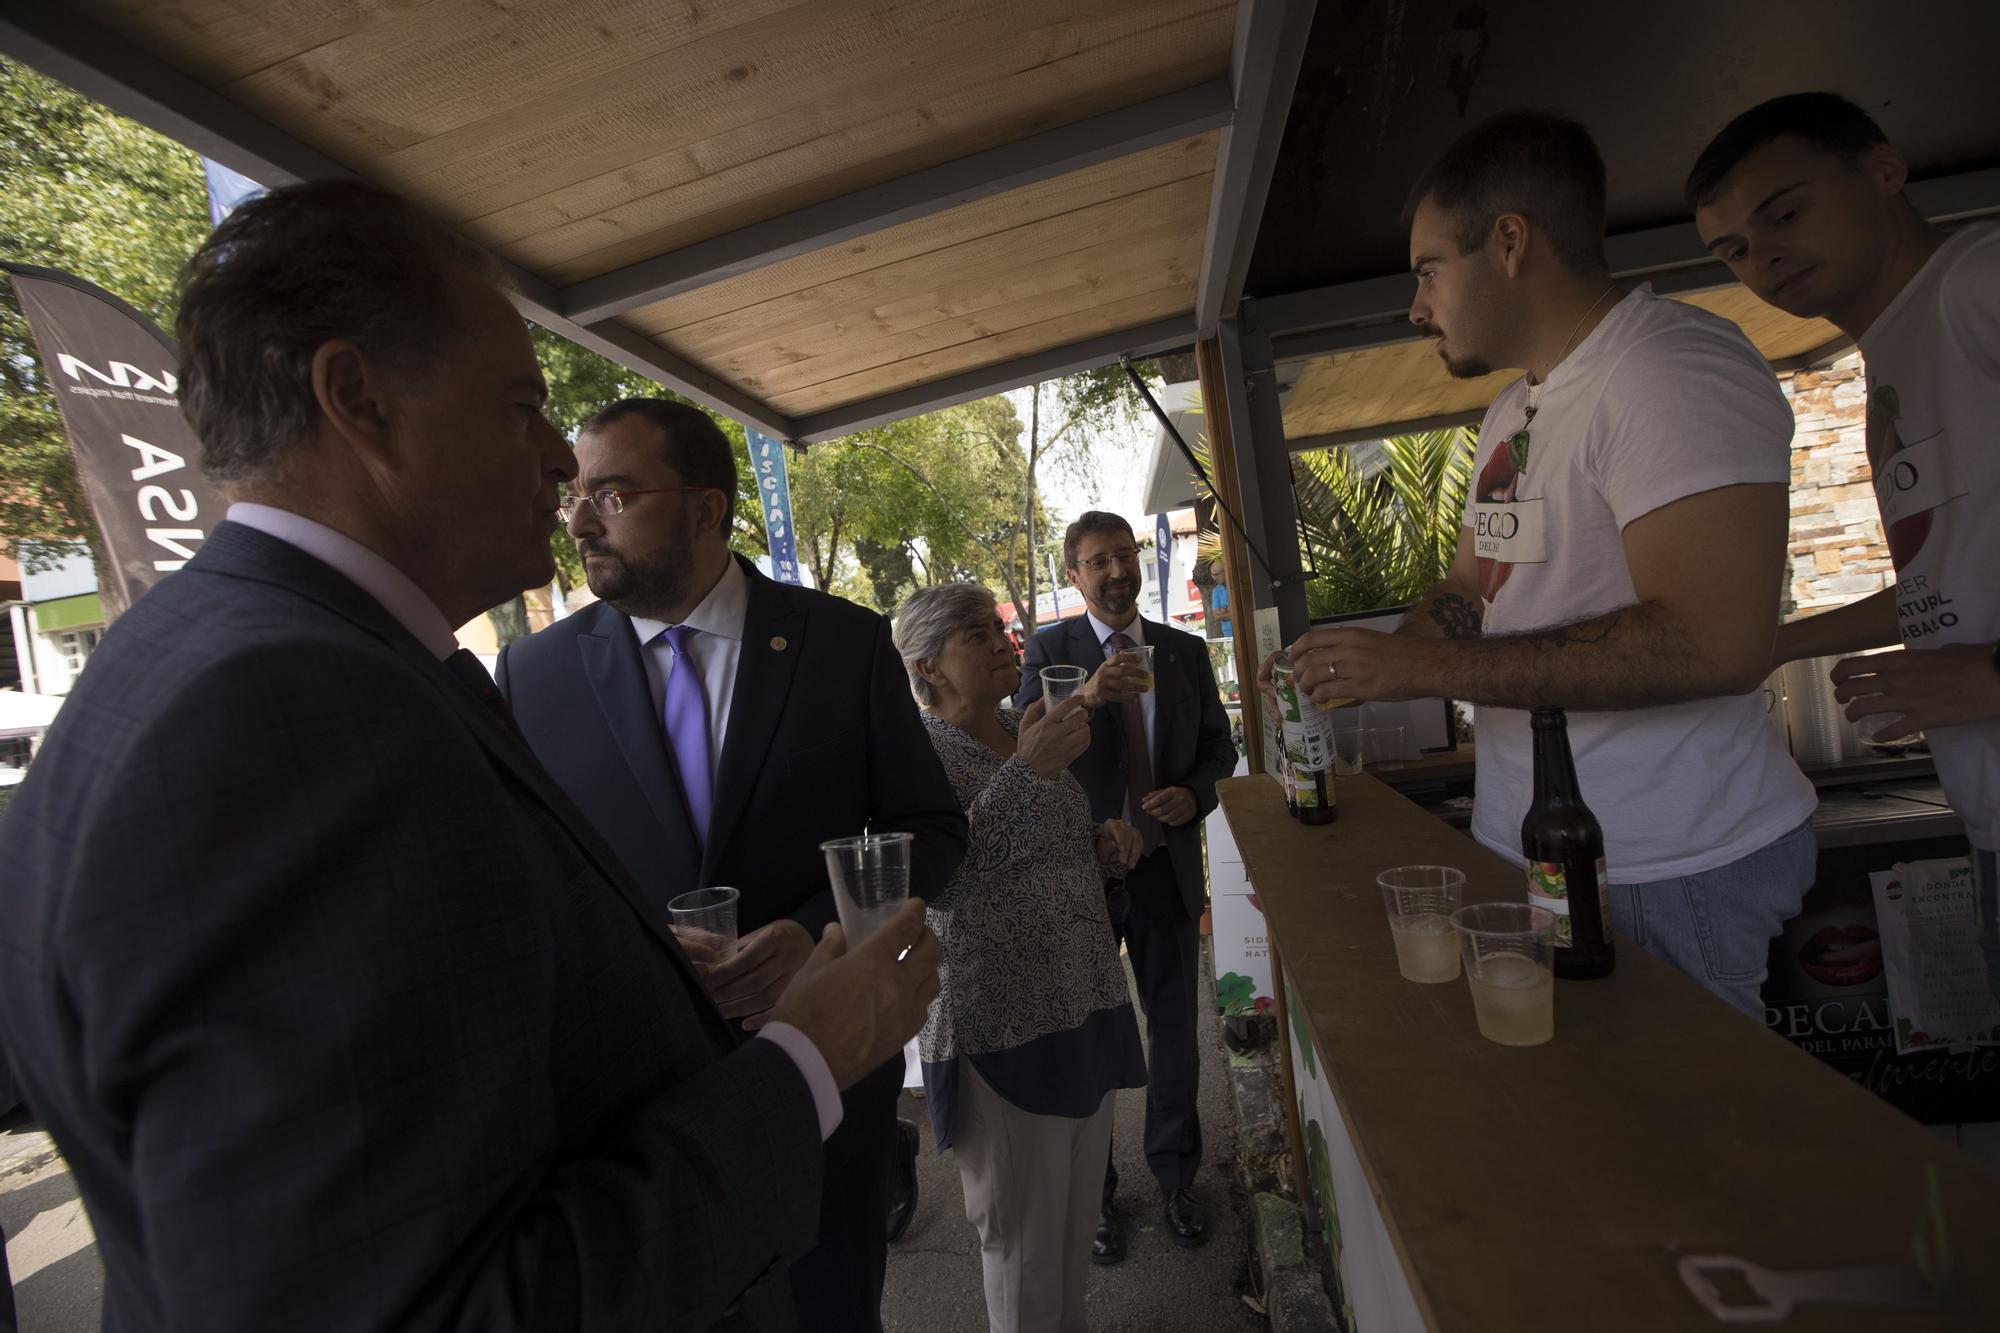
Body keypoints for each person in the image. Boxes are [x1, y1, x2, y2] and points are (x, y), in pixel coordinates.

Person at [0, 178, 942, 1332]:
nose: (557, 462)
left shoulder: (243, 658)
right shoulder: (283, 707)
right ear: (356, 399)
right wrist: (809, 1051)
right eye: (520, 406)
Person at [1273, 111, 1818, 1017]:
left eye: (1428, 271)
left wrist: (1426, 667)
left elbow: (1716, 642)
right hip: (1546, 856)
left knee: (1683, 1151)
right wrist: (1360, 663)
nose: (1417, 307)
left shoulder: (1667, 371)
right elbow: (1467, 592)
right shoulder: (1515, 411)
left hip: (1664, 861)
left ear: (1511, 242)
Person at [497, 398, 967, 1331]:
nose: (583, 520)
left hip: (829, 1076)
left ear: (705, 508)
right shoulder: (533, 676)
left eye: (613, 493)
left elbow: (931, 829)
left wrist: (811, 931)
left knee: (834, 1309)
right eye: (576, 498)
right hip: (643, 1111)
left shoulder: (839, 643)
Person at [1687, 92, 2000, 995]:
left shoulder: (1974, 286)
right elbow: (1955, 583)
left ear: (1883, 168)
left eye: (1783, 213)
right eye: (1733, 250)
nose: (1764, 257)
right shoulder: (1897, 347)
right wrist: (1778, 642)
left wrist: (1989, 677)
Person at [893, 582, 1148, 1333]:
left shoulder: (1021, 727)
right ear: (927, 665)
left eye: (999, 626)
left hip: (1085, 1000)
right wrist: (1024, 773)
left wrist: (1104, 842)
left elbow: (1041, 848)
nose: (1005, 640)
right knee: (1022, 1257)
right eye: (977, 633)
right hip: (998, 1029)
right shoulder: (914, 758)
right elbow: (939, 880)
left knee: (1069, 1243)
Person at [1014, 512, 1238, 1261]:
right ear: (1074, 575)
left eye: (1122, 555)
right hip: (1078, 872)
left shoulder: (1180, 650)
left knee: (1174, 1029)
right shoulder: (1051, 650)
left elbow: (1219, 745)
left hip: (1165, 866)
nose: (1114, 571)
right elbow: (1026, 748)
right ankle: (1097, 1194)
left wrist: (1193, 793)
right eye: (1096, 561)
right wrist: (1089, 699)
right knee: (1087, 1034)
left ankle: (1177, 1177)